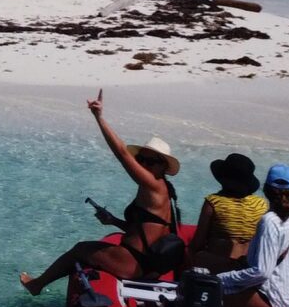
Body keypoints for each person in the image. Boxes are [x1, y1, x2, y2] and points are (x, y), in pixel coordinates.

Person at [21, 91, 185, 296]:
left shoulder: (153, 186)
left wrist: (99, 118)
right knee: (89, 251)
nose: (142, 164)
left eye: (149, 162)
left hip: (134, 264)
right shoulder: (164, 190)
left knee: (81, 249)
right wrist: (114, 221)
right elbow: (147, 231)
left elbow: (122, 153)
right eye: (141, 159)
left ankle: (37, 285)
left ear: (162, 167)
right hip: (147, 264)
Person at [219, 165, 289, 307]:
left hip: (271, 298)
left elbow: (262, 272)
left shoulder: (269, 222)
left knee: (204, 294)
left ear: (266, 190)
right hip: (288, 297)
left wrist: (222, 279)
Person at [189, 154, 268, 273]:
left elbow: (197, 243)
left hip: (222, 266)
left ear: (223, 178)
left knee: (196, 255)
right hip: (250, 266)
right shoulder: (262, 204)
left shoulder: (214, 202)